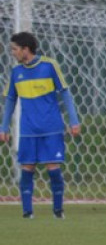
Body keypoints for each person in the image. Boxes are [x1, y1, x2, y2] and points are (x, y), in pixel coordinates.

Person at [0, 32, 82, 219]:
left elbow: (65, 93)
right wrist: (3, 127)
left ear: (25, 49)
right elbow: (11, 101)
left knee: (53, 169)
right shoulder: (16, 72)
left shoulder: (49, 65)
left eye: (14, 49)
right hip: (28, 130)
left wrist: (74, 120)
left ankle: (58, 211)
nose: (12, 53)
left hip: (51, 128)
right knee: (27, 169)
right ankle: (27, 212)